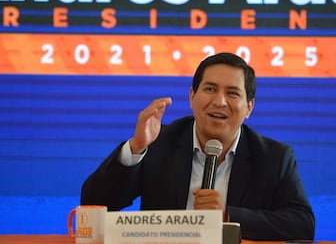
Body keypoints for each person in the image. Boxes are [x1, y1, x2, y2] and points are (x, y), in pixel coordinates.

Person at [81, 52, 315, 241]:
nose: (219, 101)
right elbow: (93, 202)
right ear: (192, 96)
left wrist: (227, 216)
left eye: (232, 93)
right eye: (210, 89)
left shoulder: (274, 157)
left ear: (249, 107)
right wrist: (136, 149)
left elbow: (302, 224)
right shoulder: (158, 141)